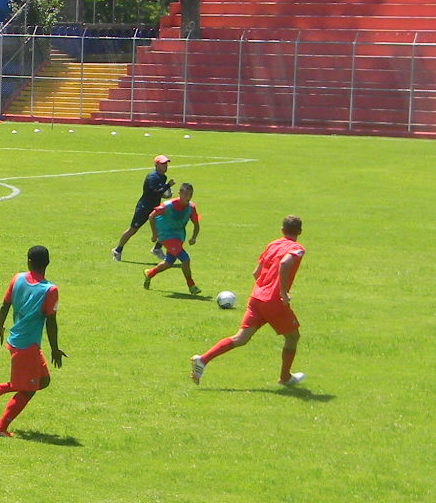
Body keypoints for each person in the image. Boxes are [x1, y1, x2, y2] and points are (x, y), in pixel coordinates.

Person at [194, 216, 307, 387]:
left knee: (241, 338)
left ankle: (203, 359)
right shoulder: (297, 249)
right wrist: (283, 291)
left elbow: (256, 273)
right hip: (274, 300)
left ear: (282, 230)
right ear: (299, 231)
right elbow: (285, 263)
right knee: (293, 337)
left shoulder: (273, 245)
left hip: (257, 297)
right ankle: (285, 378)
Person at [0, 244, 66, 438]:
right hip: (26, 346)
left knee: (43, 380)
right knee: (28, 389)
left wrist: (0, 325)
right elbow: (51, 322)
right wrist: (55, 349)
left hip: (18, 340)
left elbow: (5, 305)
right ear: (48, 263)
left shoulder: (17, 278)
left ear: (28, 261)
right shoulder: (50, 290)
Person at [141, 182, 202, 293]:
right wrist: (155, 234)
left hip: (178, 237)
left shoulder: (191, 207)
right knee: (185, 259)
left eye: (190, 194)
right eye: (186, 194)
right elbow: (152, 216)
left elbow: (196, 223)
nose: (188, 197)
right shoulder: (168, 205)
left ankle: (149, 273)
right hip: (166, 236)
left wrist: (194, 237)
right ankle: (191, 285)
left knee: (168, 263)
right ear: (179, 193)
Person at [112, 154, 173, 259]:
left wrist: (165, 193)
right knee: (133, 229)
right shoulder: (152, 177)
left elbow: (158, 193)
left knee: (166, 227)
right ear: (156, 165)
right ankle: (117, 250)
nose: (165, 166)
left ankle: (157, 249)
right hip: (144, 207)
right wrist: (167, 186)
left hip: (155, 207)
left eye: (166, 164)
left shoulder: (163, 177)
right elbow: (155, 192)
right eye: (163, 164)